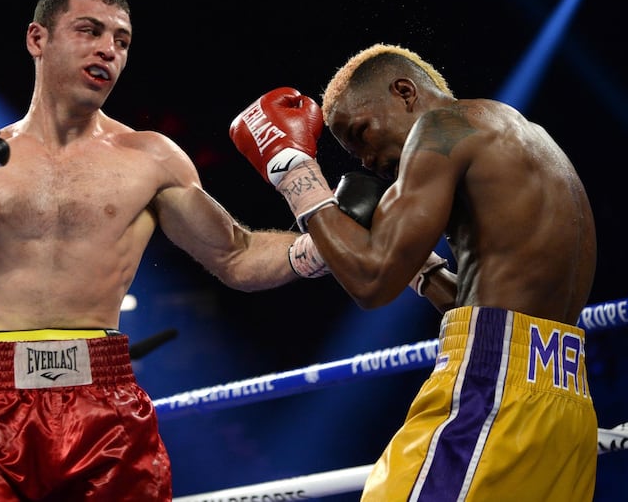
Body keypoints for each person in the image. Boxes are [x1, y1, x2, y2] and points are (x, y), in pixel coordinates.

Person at [0, 0, 316, 501]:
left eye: (121, 41)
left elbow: (235, 257)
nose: (108, 49)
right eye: (89, 30)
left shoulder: (151, 158)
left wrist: (326, 243)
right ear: (38, 39)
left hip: (103, 399)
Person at [228, 44, 598, 501]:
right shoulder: (524, 139)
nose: (365, 160)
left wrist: (292, 169)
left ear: (405, 92)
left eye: (362, 133)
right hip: (566, 402)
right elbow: (497, 308)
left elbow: (370, 281)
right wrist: (419, 267)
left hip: (490, 395)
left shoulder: (440, 126)